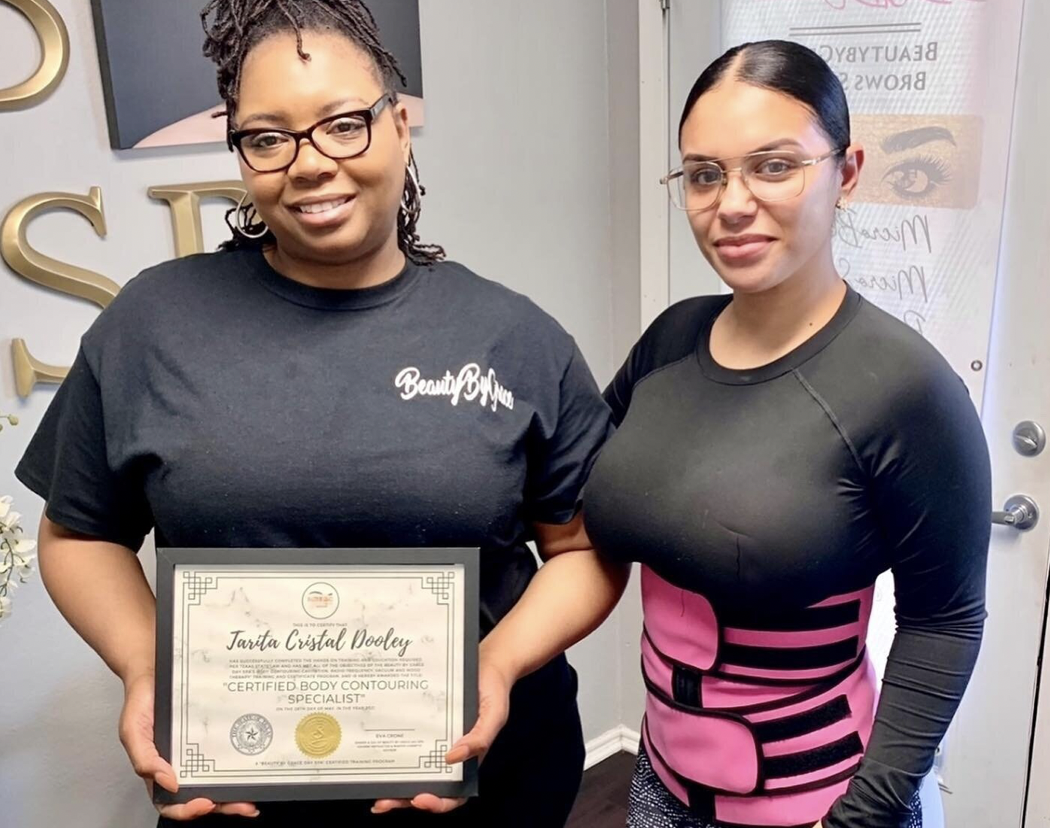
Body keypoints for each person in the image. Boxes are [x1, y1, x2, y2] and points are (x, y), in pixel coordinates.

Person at [16, 1, 629, 825]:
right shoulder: (152, 323)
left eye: (344, 124)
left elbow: (584, 549)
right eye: (268, 137)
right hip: (239, 788)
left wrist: (498, 659)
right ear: (240, 154)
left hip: (485, 780)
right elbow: (81, 532)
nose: (308, 163)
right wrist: (146, 668)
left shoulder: (512, 336)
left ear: (401, 126)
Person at [581, 40, 990, 828]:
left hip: (823, 807)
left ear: (848, 171)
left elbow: (945, 624)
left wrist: (858, 818)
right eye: (703, 174)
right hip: (661, 789)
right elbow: (579, 493)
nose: (732, 203)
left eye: (773, 166)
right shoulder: (670, 341)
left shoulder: (907, 389)